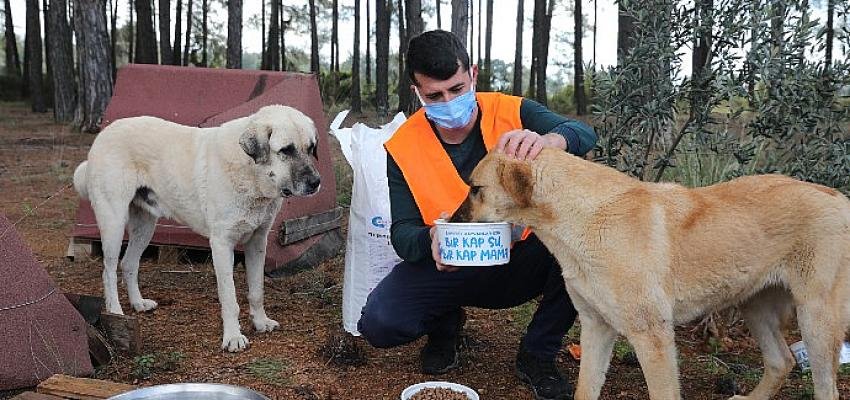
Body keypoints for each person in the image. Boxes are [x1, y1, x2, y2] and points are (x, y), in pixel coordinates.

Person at [357, 29, 597, 400]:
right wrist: (431, 240)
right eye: (434, 95)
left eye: (456, 88)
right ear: (416, 92)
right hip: (452, 264)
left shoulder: (513, 112)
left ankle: (538, 354)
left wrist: (550, 140)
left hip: (524, 257)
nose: (448, 102)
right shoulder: (403, 146)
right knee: (380, 322)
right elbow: (402, 233)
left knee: (581, 245)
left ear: (473, 73)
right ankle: (445, 325)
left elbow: (583, 133)